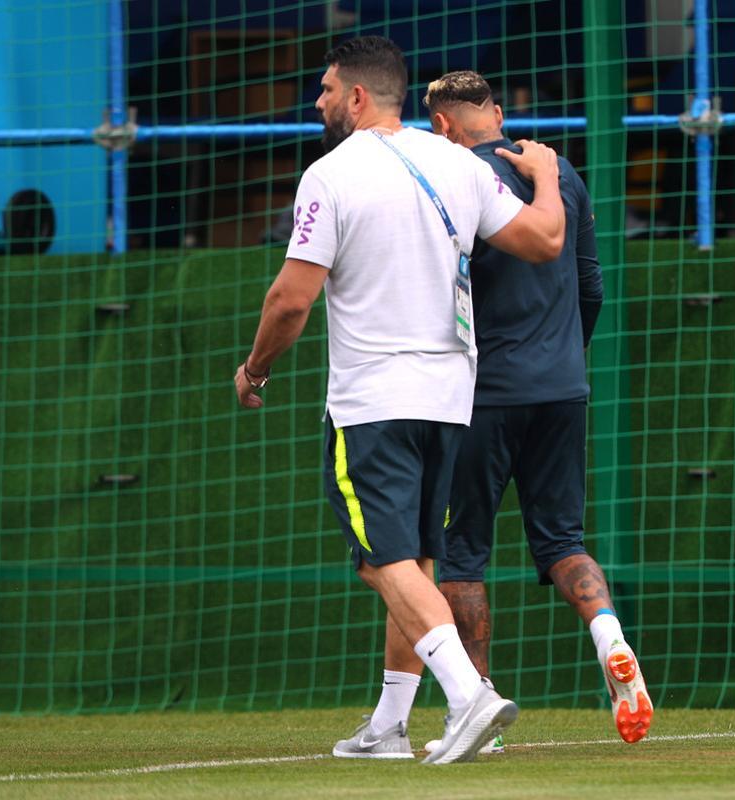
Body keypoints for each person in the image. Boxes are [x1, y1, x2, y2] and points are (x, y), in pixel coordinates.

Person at [233, 38, 567, 764]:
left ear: (357, 97)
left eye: (325, 90)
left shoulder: (329, 175)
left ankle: (468, 694)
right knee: (411, 560)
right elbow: (545, 239)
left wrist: (256, 369)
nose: (317, 101)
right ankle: (387, 727)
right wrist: (544, 175)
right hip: (450, 397)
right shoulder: (457, 164)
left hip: (374, 397)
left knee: (380, 559)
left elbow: (292, 298)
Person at [355, 70, 653, 759]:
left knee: (461, 555)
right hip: (562, 388)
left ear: (443, 126)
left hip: (482, 395)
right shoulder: (562, 173)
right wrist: (564, 360)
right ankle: (610, 636)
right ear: (496, 111)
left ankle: (478, 705)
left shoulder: (452, 180)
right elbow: (592, 284)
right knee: (563, 540)